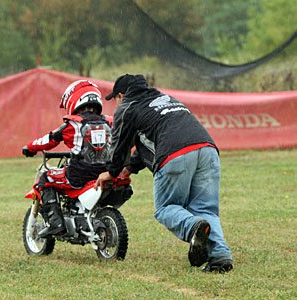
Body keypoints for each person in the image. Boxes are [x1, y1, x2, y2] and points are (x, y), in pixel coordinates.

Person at [95, 74, 233, 273]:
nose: (116, 105)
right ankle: (220, 257)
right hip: (208, 149)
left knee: (166, 208)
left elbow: (119, 146)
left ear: (122, 96)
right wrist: (129, 168)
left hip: (175, 154)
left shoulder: (128, 107)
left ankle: (193, 227)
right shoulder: (166, 100)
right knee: (205, 209)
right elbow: (148, 143)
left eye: (115, 99)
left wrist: (111, 171)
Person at [23, 80, 112, 238]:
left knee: (44, 179)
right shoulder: (110, 122)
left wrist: (30, 147)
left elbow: (49, 140)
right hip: (107, 172)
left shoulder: (73, 124)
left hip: (78, 175)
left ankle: (56, 222)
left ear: (74, 100)